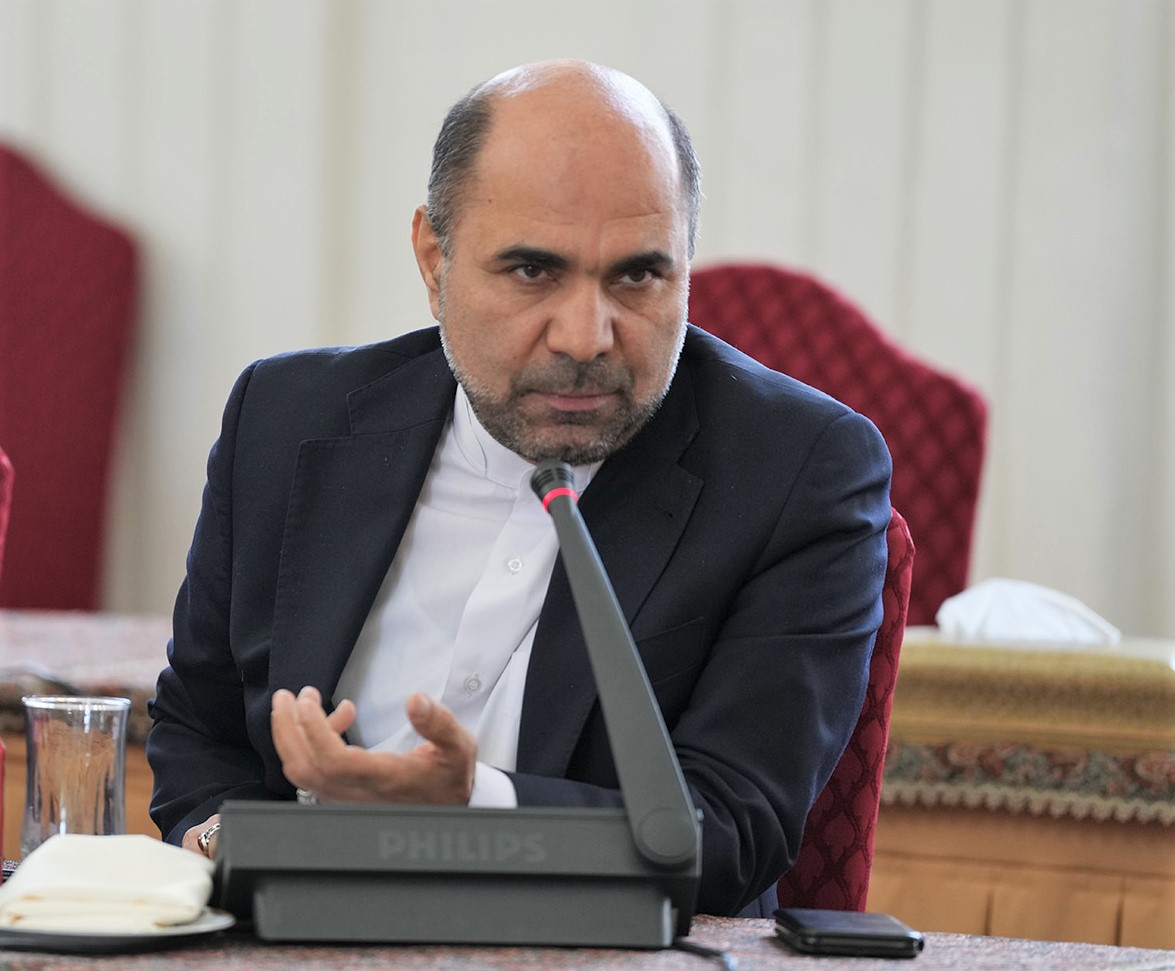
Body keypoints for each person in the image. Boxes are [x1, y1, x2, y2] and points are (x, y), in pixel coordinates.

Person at [146, 59, 892, 918]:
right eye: (533, 271)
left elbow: (729, 827)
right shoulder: (284, 418)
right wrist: (231, 842)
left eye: (638, 276)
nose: (585, 337)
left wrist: (473, 805)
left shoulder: (797, 469)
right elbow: (199, 725)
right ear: (434, 259)